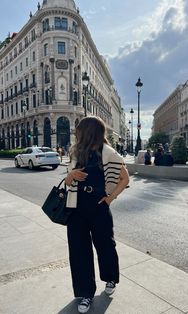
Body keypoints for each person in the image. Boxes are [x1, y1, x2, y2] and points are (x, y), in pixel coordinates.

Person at [65, 117, 129, 313]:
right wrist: (70, 176)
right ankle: (86, 294)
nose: (77, 132)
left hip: (99, 208)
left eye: (80, 129)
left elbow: (124, 178)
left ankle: (110, 277)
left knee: (106, 246)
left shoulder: (108, 153)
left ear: (89, 131)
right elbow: (68, 183)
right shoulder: (76, 152)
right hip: (76, 209)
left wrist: (110, 199)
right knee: (79, 252)